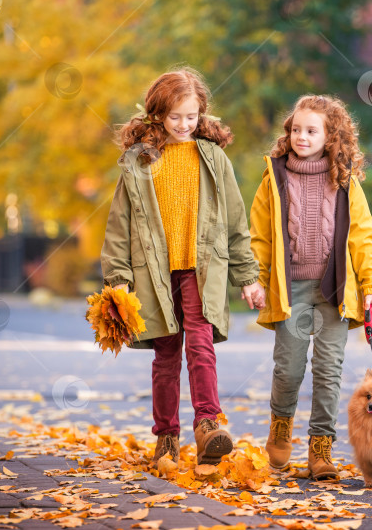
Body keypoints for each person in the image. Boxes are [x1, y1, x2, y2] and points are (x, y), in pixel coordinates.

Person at [101, 67, 265, 467]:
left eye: (191, 116)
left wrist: (247, 277)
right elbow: (119, 225)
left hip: (201, 269)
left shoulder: (214, 160)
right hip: (153, 273)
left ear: (202, 113)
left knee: (200, 343)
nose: (183, 124)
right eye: (175, 116)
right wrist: (118, 281)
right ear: (158, 113)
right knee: (166, 355)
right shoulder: (139, 163)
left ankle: (208, 425)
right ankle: (167, 438)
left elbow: (234, 222)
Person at [250, 94, 372, 480]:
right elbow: (259, 237)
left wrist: (371, 283)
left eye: (312, 131)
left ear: (331, 137)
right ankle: (280, 427)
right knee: (289, 369)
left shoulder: (344, 182)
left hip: (336, 291)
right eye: (296, 129)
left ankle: (320, 449)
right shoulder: (274, 178)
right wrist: (257, 281)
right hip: (290, 291)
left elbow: (363, 237)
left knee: (329, 371)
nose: (302, 136)